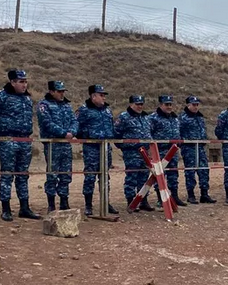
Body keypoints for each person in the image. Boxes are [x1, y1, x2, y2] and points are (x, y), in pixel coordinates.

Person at [0, 69, 40, 222]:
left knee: (23, 174)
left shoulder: (27, 99)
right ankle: (6, 208)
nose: (24, 85)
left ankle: (24, 207)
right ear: (12, 82)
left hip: (24, 140)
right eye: (21, 82)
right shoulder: (0, 97)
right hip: (8, 140)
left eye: (25, 81)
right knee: (7, 174)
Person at [76, 84, 119, 216]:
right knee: (90, 176)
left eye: (104, 95)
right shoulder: (84, 110)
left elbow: (111, 127)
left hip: (106, 147)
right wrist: (88, 135)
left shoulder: (107, 110)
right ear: (93, 96)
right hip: (91, 148)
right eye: (101, 95)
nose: (103, 97)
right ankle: (88, 205)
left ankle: (105, 202)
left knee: (105, 176)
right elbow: (77, 127)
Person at [37, 81, 78, 212]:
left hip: (66, 145)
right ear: (51, 91)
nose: (61, 94)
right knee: (52, 175)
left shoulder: (66, 105)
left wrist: (72, 132)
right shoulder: (44, 105)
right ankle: (51, 203)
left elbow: (74, 121)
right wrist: (63, 133)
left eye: (63, 91)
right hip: (52, 144)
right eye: (59, 91)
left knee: (66, 174)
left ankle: (64, 201)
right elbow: (47, 123)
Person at [114, 95, 153, 210]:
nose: (140, 106)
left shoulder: (145, 117)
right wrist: (124, 146)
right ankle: (131, 201)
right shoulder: (124, 117)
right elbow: (116, 133)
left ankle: (143, 200)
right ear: (131, 104)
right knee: (132, 177)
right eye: (137, 104)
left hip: (145, 152)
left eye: (141, 104)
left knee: (144, 177)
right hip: (132, 152)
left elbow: (148, 133)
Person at [148, 95, 186, 207]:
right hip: (159, 151)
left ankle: (174, 196)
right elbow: (149, 134)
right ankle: (161, 199)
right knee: (159, 176)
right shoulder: (153, 118)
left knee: (173, 175)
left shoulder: (175, 118)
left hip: (173, 150)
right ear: (160, 105)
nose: (169, 107)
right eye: (166, 104)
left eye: (170, 104)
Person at [179, 96, 216, 204]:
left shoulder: (199, 117)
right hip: (189, 148)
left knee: (204, 170)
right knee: (190, 171)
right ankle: (191, 195)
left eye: (197, 105)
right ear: (188, 105)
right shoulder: (183, 118)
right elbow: (178, 133)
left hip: (200, 147)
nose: (195, 107)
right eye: (193, 105)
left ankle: (204, 194)